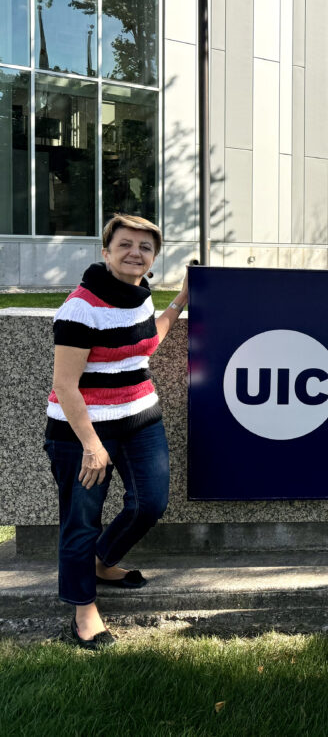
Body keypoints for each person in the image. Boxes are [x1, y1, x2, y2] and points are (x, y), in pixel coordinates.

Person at [45, 214, 189, 649]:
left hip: (140, 420)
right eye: (125, 244)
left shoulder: (138, 294)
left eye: (145, 248)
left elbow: (145, 341)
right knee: (81, 519)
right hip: (82, 432)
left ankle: (101, 561)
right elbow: (64, 384)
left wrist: (180, 302)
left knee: (150, 502)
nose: (135, 253)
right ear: (105, 252)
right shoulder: (81, 307)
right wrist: (91, 444)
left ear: (153, 259)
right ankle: (83, 610)